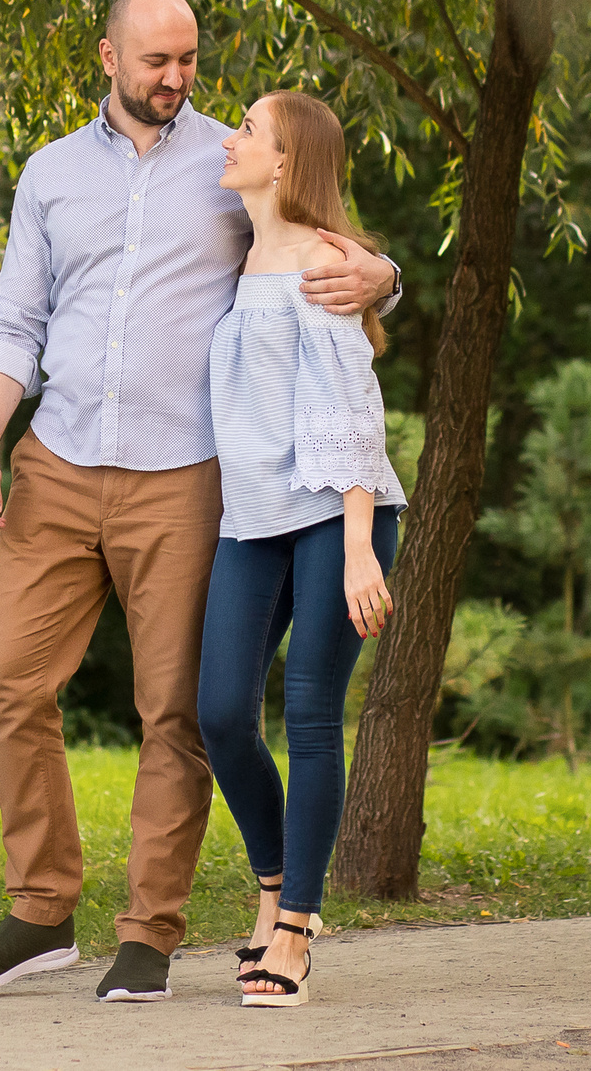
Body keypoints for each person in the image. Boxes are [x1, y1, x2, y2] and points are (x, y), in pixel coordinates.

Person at [0, 0, 400, 1004]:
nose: (176, 79)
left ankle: (148, 932)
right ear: (107, 57)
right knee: (10, 682)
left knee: (176, 713)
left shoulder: (228, 163)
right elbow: (13, 320)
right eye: (155, 61)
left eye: (188, 59)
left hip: (185, 477)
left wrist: (384, 274)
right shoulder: (50, 174)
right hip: (55, 461)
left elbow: (326, 241)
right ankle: (38, 910)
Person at [196, 91, 408, 1009]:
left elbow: (352, 417)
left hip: (336, 513)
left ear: (285, 163)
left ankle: (296, 927)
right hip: (252, 516)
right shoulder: (241, 258)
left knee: (313, 714)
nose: (229, 137)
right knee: (219, 714)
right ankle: (275, 878)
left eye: (247, 128)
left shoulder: (327, 266)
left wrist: (361, 548)